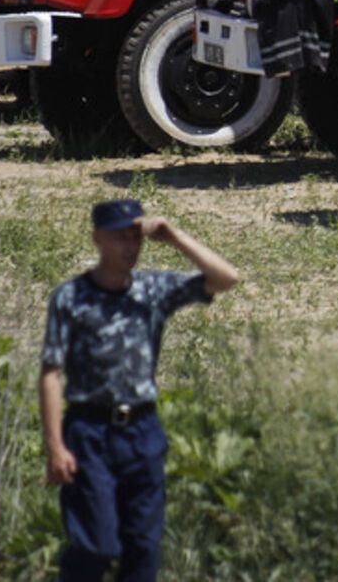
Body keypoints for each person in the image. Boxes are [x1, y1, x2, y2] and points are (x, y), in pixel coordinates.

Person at [40, 200, 240, 582]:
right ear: (98, 238)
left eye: (136, 237)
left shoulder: (152, 289)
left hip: (141, 431)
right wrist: (55, 446)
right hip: (89, 432)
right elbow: (51, 373)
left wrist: (174, 236)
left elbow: (227, 278)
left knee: (143, 549)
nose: (130, 246)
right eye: (120, 237)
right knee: (95, 546)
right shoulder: (71, 297)